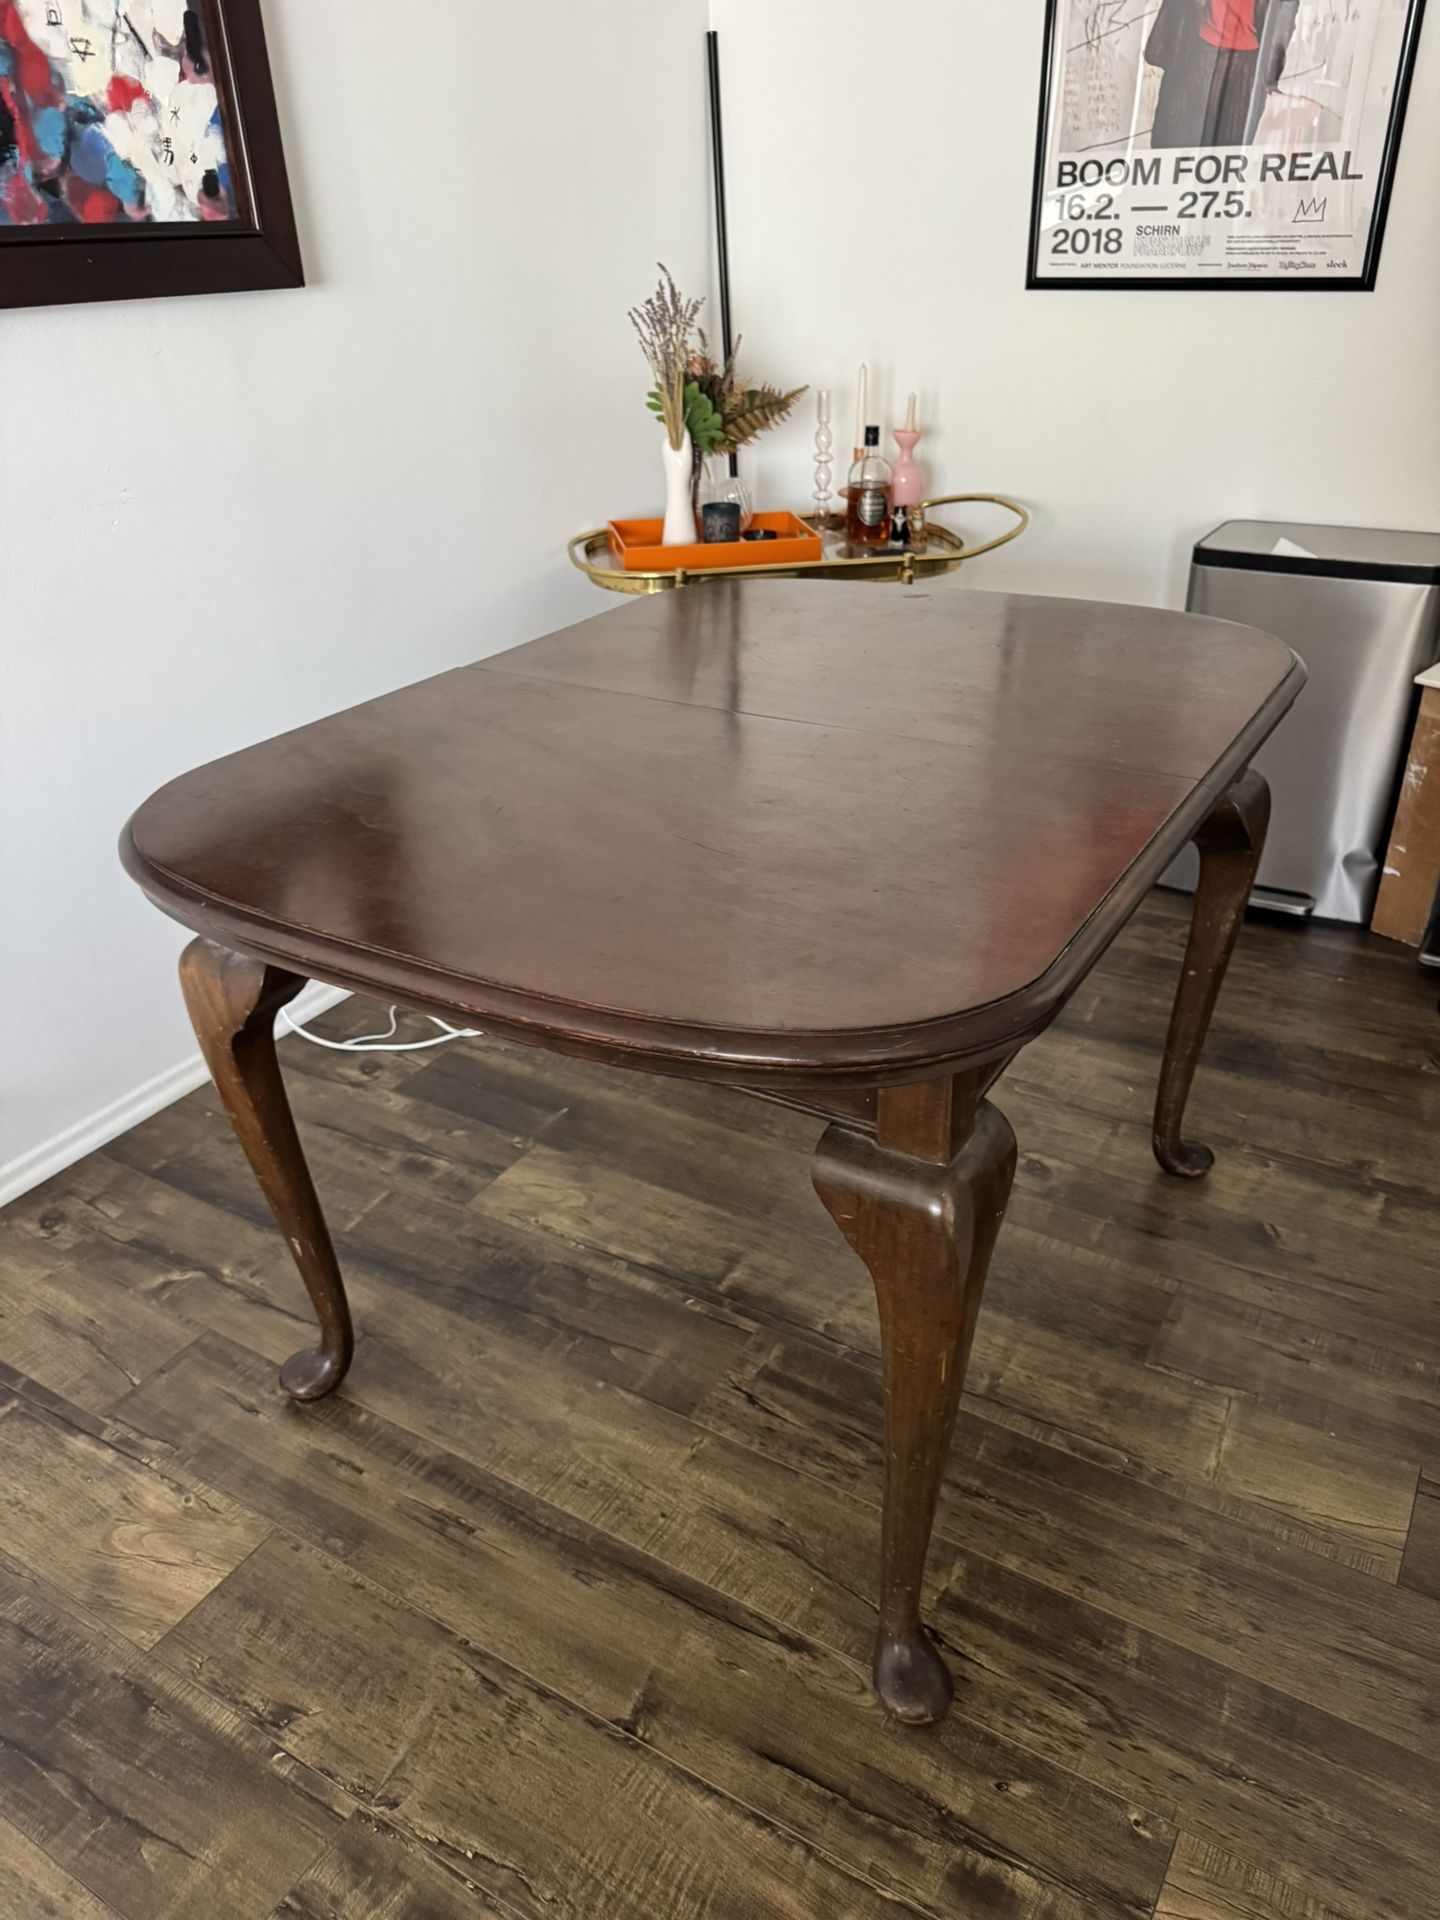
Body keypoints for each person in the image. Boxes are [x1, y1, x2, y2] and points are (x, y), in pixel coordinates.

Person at [1146, 0, 1299, 148]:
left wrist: (1272, 66)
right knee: (1175, 146)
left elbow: (1286, 9)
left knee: (1227, 154)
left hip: (1247, 62)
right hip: (1197, 50)